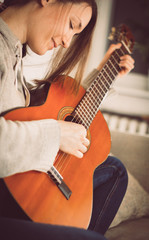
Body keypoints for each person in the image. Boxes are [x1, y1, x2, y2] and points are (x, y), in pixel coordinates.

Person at [0, 0, 135, 239]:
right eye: (72, 24)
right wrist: (57, 135)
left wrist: (103, 74)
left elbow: (49, 109)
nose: (66, 42)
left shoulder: (13, 55)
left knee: (114, 169)